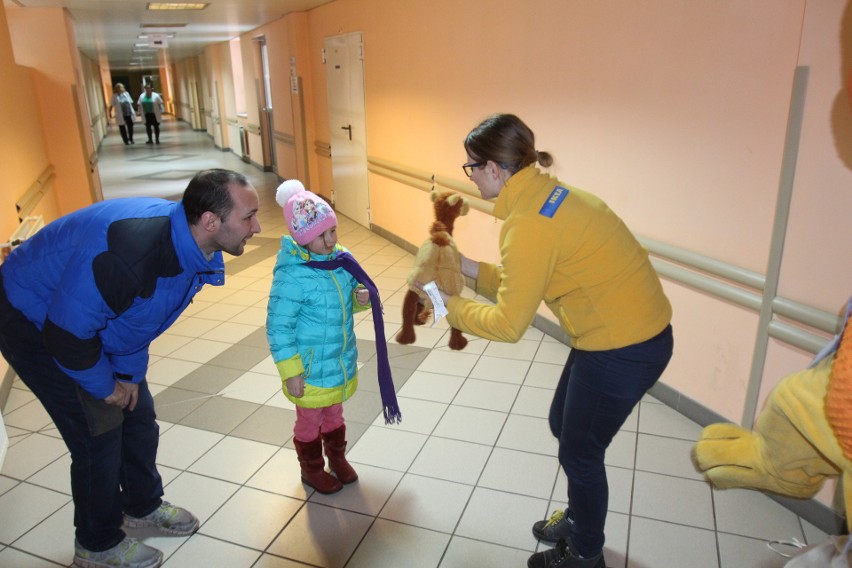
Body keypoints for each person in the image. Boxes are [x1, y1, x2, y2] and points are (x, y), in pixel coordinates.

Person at [441, 114, 674, 568]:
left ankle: (587, 553)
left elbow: (510, 323)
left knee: (580, 452)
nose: (468, 176)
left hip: (622, 347)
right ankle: (582, 516)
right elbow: (525, 280)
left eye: (471, 167)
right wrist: (466, 266)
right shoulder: (551, 196)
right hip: (627, 335)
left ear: (494, 169)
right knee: (561, 425)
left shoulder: (528, 223)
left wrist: (450, 304)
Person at [0, 169, 261, 568]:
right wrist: (107, 386)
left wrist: (126, 374)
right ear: (211, 221)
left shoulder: (186, 246)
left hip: (79, 317)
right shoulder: (133, 252)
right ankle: (97, 544)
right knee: (98, 429)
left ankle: (142, 505)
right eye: (249, 217)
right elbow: (68, 335)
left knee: (137, 412)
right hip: (29, 315)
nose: (257, 227)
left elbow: (136, 318)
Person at [266, 180, 400, 495]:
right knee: (310, 420)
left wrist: (359, 298)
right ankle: (311, 469)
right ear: (301, 238)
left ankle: (336, 458)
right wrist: (291, 371)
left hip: (338, 361)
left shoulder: (340, 261)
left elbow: (343, 302)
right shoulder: (292, 274)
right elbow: (278, 327)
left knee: (334, 412)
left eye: (333, 231)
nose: (330, 241)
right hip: (309, 370)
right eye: (321, 235)